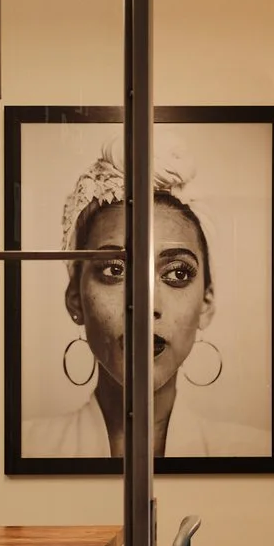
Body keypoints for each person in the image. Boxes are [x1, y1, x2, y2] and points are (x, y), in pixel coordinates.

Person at [29, 145, 259, 461]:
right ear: (75, 299)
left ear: (206, 303)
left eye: (177, 273)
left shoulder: (250, 451)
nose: (146, 306)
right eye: (115, 270)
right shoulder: (29, 446)